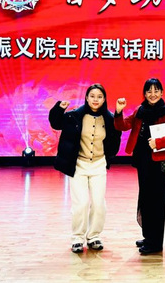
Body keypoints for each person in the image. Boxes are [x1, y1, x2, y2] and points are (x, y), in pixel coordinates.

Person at [48, 83, 122, 253]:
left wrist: (119, 113)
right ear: (87, 98)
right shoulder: (74, 116)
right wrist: (59, 108)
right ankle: (77, 238)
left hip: (98, 164)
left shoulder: (109, 119)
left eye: (99, 97)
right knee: (80, 204)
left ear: (104, 99)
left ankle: (94, 236)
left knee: (98, 204)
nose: (96, 100)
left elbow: (116, 135)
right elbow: (56, 123)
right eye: (92, 96)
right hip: (79, 165)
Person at [114, 77, 165, 255]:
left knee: (157, 202)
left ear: (161, 92)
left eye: (156, 90)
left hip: (159, 162)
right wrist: (118, 112)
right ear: (144, 93)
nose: (152, 94)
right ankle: (148, 236)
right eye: (149, 91)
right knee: (145, 199)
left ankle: (155, 243)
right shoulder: (140, 110)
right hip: (142, 160)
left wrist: (159, 142)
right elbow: (123, 125)